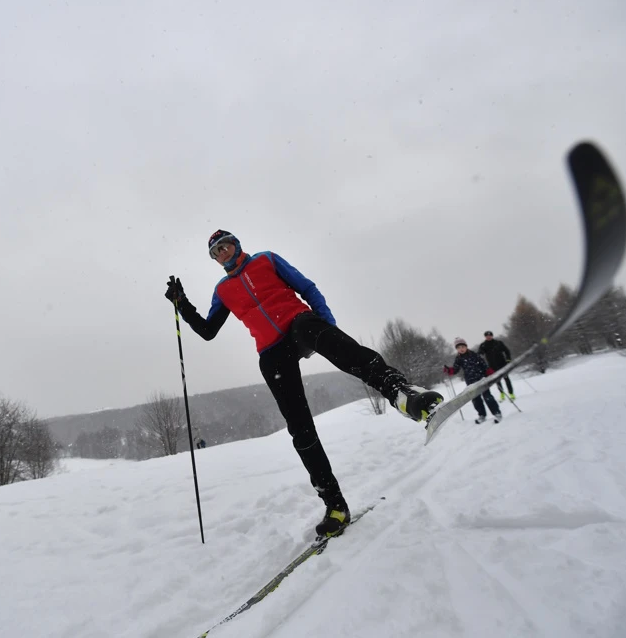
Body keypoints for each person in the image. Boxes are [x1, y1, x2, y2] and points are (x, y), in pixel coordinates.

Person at [165, 229, 444, 538]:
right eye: (215, 252)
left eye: (225, 245)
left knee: (329, 340)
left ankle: (401, 395)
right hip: (272, 350)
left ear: (236, 244)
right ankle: (335, 506)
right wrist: (182, 303)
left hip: (299, 324)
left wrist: (326, 326)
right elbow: (207, 330)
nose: (222, 253)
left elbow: (307, 287)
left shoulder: (266, 260)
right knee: (299, 427)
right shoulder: (223, 290)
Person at [443, 337, 502, 424]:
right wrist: (449, 370)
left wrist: (488, 370)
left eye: (462, 347)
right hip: (470, 382)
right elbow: (455, 369)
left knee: (487, 397)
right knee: (476, 399)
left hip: (481, 379)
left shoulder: (474, 355)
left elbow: (483, 363)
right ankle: (482, 415)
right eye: (458, 348)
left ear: (466, 347)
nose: (461, 349)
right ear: (457, 349)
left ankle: (497, 413)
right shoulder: (458, 358)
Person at [478, 331, 514, 401]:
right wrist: (479, 354)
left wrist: (508, 359)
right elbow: (480, 353)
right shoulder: (483, 345)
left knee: (506, 379)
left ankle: (511, 393)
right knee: (497, 380)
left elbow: (506, 350)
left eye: (490, 335)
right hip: (492, 366)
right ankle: (502, 394)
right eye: (487, 336)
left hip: (502, 364)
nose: (488, 337)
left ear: (492, 336)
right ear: (485, 337)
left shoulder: (498, 343)